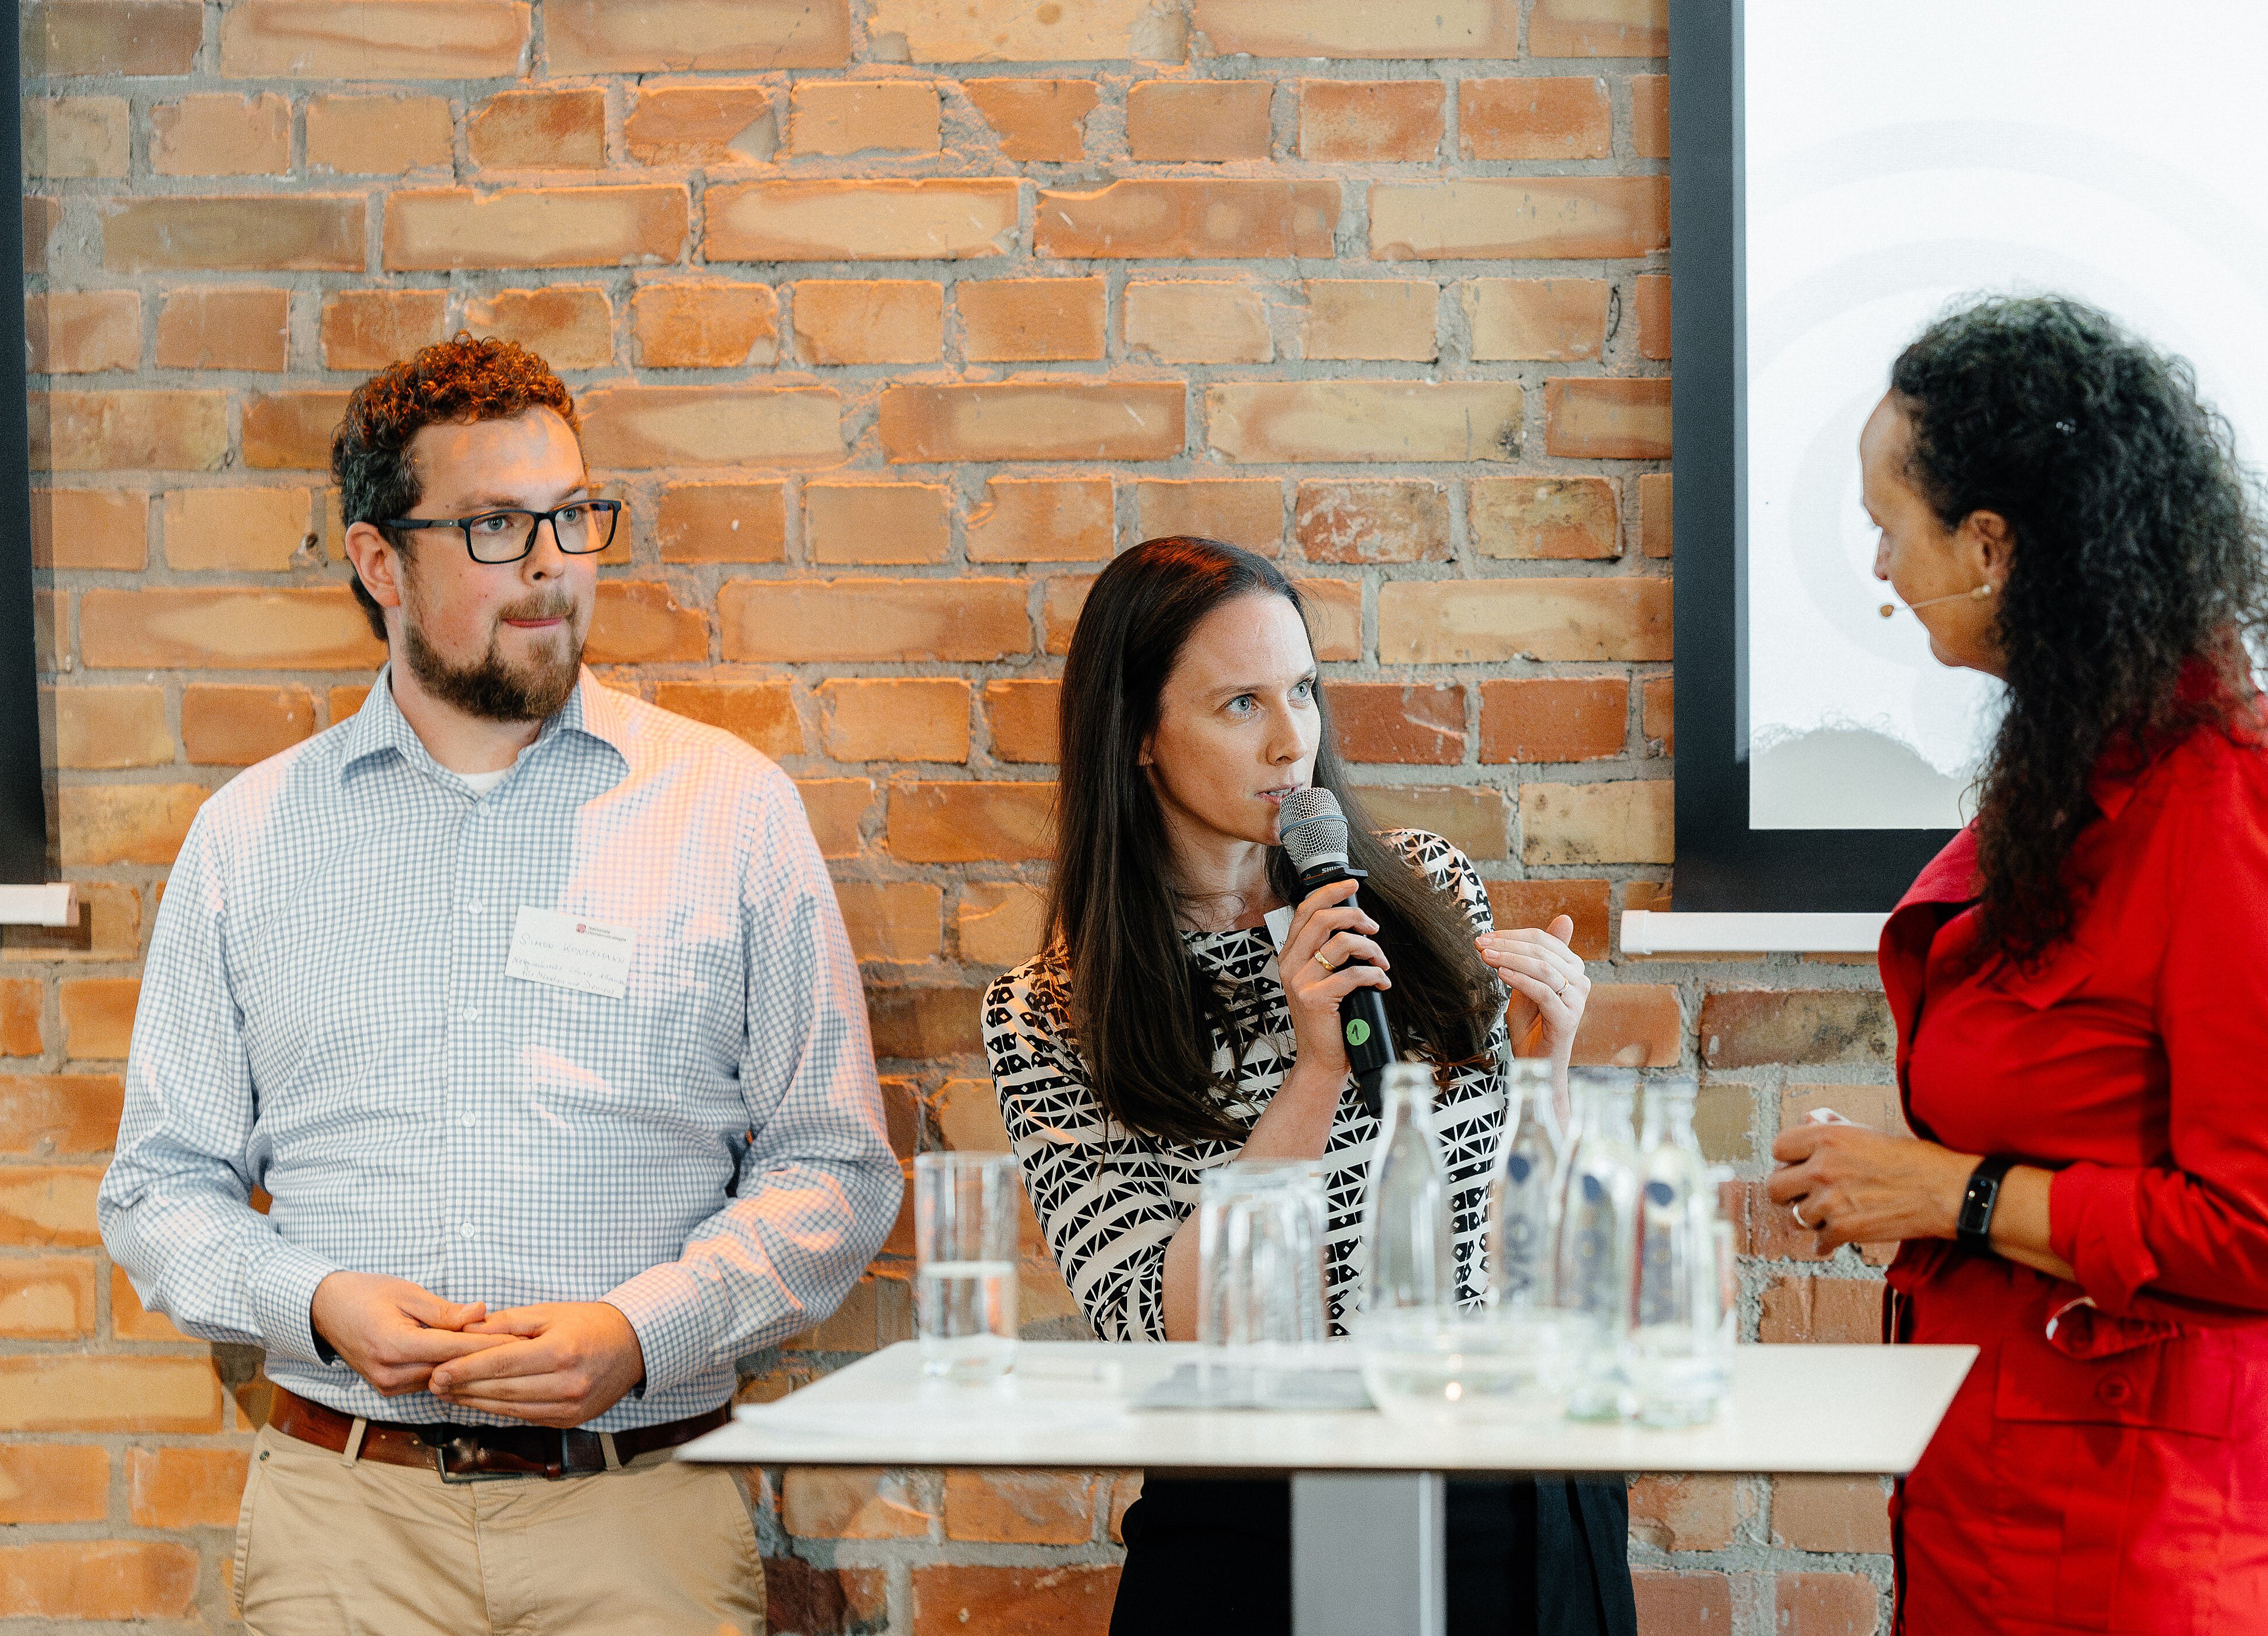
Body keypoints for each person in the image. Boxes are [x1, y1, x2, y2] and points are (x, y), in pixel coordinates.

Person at [97, 337, 901, 1636]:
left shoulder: (728, 809)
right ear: (380, 562)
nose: (550, 565)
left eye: (573, 516)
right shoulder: (250, 838)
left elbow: (836, 1169)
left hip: (638, 1512)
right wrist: (314, 1302)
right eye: (492, 526)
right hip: (348, 1522)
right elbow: (157, 1186)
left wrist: (642, 1331)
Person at [1765, 297, 2268, 1633]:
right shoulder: (2077, 764)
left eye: (1891, 526)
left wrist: (1955, 1195)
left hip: (2158, 1550)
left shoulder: (2236, 810)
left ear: (1990, 546)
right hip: (2013, 1510)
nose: (1878, 566)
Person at [980, 536, 1632, 1636]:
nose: (1293, 742)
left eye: (1303, 691)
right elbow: (1156, 1321)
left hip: (1503, 1489)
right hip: (1256, 1519)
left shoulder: (1421, 888)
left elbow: (1513, 1240)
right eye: (1240, 703)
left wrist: (1548, 1067)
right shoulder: (1052, 1009)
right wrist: (1316, 1071)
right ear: (1139, 734)